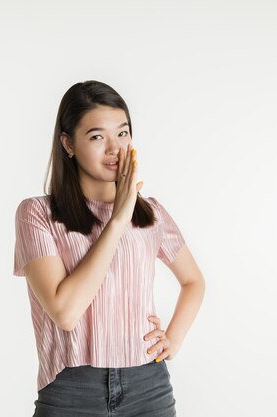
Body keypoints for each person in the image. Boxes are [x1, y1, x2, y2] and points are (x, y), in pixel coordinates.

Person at [13, 80, 205, 417]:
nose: (115, 148)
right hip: (71, 388)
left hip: (149, 386)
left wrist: (172, 339)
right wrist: (117, 220)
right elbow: (65, 312)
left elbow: (194, 281)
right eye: (97, 136)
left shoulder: (152, 214)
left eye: (123, 133)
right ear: (68, 144)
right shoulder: (37, 214)